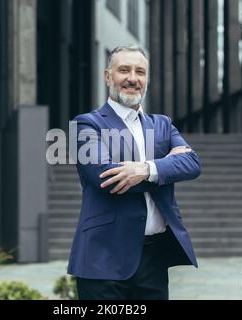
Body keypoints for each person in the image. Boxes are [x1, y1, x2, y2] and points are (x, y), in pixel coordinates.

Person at [67, 45, 202, 300]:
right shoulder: (87, 123)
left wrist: (146, 169)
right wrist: (164, 168)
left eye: (140, 71)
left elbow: (192, 163)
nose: (132, 78)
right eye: (124, 70)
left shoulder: (162, 124)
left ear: (147, 80)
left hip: (153, 260)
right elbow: (105, 176)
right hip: (102, 260)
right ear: (108, 76)